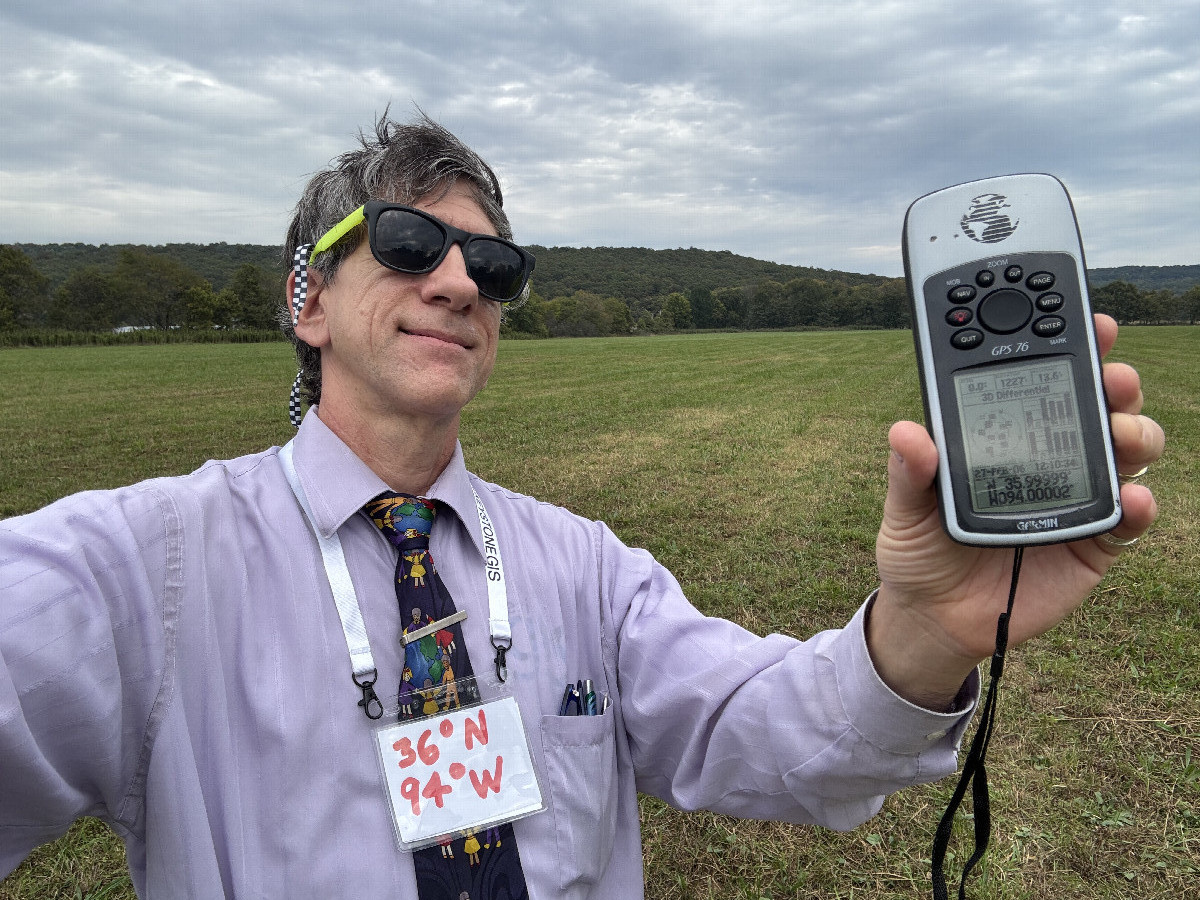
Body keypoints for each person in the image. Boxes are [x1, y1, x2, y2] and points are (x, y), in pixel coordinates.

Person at [0, 113, 1164, 899]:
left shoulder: (584, 568)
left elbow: (759, 732)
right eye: (409, 245)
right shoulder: (139, 568)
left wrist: (925, 635)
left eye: (493, 267)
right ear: (307, 296)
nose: (458, 282)